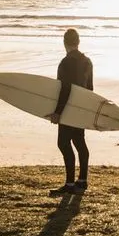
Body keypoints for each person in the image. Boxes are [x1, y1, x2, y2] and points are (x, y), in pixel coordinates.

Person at [48, 27, 94, 195]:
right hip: (80, 108)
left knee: (63, 143)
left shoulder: (65, 63)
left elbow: (64, 89)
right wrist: (88, 110)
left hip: (68, 109)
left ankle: (69, 184)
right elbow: (90, 89)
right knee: (79, 142)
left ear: (64, 43)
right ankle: (82, 181)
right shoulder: (88, 61)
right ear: (78, 42)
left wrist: (58, 112)